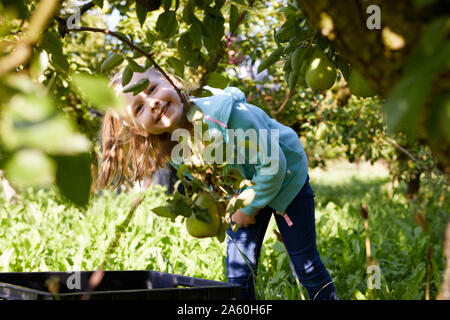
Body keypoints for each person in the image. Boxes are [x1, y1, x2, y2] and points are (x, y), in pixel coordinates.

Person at [95, 67, 338, 300]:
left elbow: (274, 166)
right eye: (139, 109)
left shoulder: (231, 116)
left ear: (170, 80)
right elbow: (212, 181)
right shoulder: (178, 149)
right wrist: (217, 206)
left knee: (304, 261)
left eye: (152, 89)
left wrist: (248, 209)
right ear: (139, 130)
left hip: (286, 181)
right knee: (237, 272)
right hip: (244, 192)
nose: (152, 103)